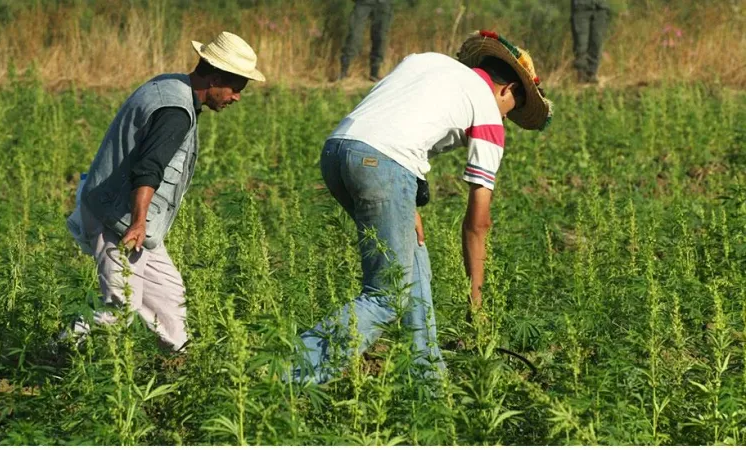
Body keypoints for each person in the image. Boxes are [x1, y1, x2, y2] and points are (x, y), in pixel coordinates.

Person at [296, 30, 552, 383]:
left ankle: (427, 381)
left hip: (338, 151)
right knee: (386, 296)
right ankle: (286, 373)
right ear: (507, 90)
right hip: (383, 164)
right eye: (512, 109)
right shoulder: (489, 113)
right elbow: (478, 223)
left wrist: (406, 201)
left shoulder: (426, 62)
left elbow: (393, 121)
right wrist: (475, 304)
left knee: (416, 267)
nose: (506, 118)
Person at [64, 31, 265, 351]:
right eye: (236, 88)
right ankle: (57, 353)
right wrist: (139, 222)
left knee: (169, 297)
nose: (237, 97)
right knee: (120, 307)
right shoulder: (175, 111)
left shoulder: (171, 86)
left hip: (131, 219)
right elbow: (149, 168)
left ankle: (183, 364)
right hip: (120, 219)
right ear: (215, 78)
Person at [339, 0, 394, 81]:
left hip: (383, 3)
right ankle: (344, 71)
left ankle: (374, 73)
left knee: (380, 37)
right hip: (363, 3)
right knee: (354, 36)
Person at [571, 0, 610, 84]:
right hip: (581, 7)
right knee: (581, 43)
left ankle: (592, 74)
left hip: (600, 7)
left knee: (597, 42)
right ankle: (581, 76)